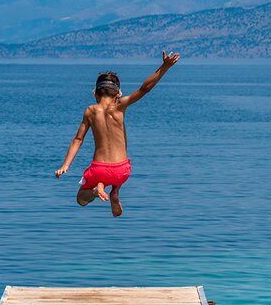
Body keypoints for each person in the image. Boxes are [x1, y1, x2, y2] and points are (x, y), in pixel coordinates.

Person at [55, 51, 180, 217]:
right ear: (118, 93)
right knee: (119, 170)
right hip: (122, 171)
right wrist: (165, 66)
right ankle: (115, 191)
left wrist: (66, 165)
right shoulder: (120, 105)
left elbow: (78, 140)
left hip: (98, 169)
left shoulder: (90, 111)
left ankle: (96, 189)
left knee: (81, 199)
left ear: (95, 93)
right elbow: (145, 89)